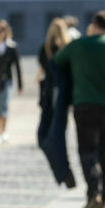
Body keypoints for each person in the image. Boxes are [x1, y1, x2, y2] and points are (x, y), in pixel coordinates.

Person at [54, 11, 105, 208]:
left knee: (87, 151)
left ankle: (93, 193)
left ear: (93, 24)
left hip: (84, 105)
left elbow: (57, 61)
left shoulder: (78, 45)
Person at [37, 18, 76, 188]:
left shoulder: (46, 49)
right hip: (61, 95)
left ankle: (64, 173)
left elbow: (43, 69)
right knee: (56, 135)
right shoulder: (67, 49)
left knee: (48, 136)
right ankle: (64, 172)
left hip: (52, 95)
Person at [0, 20, 22, 144]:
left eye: (0, 31)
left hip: (7, 80)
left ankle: (3, 131)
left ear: (5, 32)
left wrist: (20, 84)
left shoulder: (11, 47)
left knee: (4, 106)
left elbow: (17, 67)